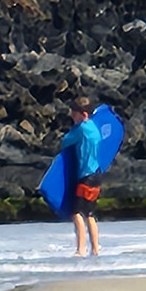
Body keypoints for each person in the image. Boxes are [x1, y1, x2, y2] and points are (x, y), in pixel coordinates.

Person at [62, 97, 102, 256]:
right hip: (96, 175)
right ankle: (96, 249)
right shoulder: (94, 128)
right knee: (90, 213)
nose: (72, 116)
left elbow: (65, 142)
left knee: (77, 212)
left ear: (84, 114)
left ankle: (81, 249)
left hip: (85, 177)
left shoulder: (81, 129)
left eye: (74, 113)